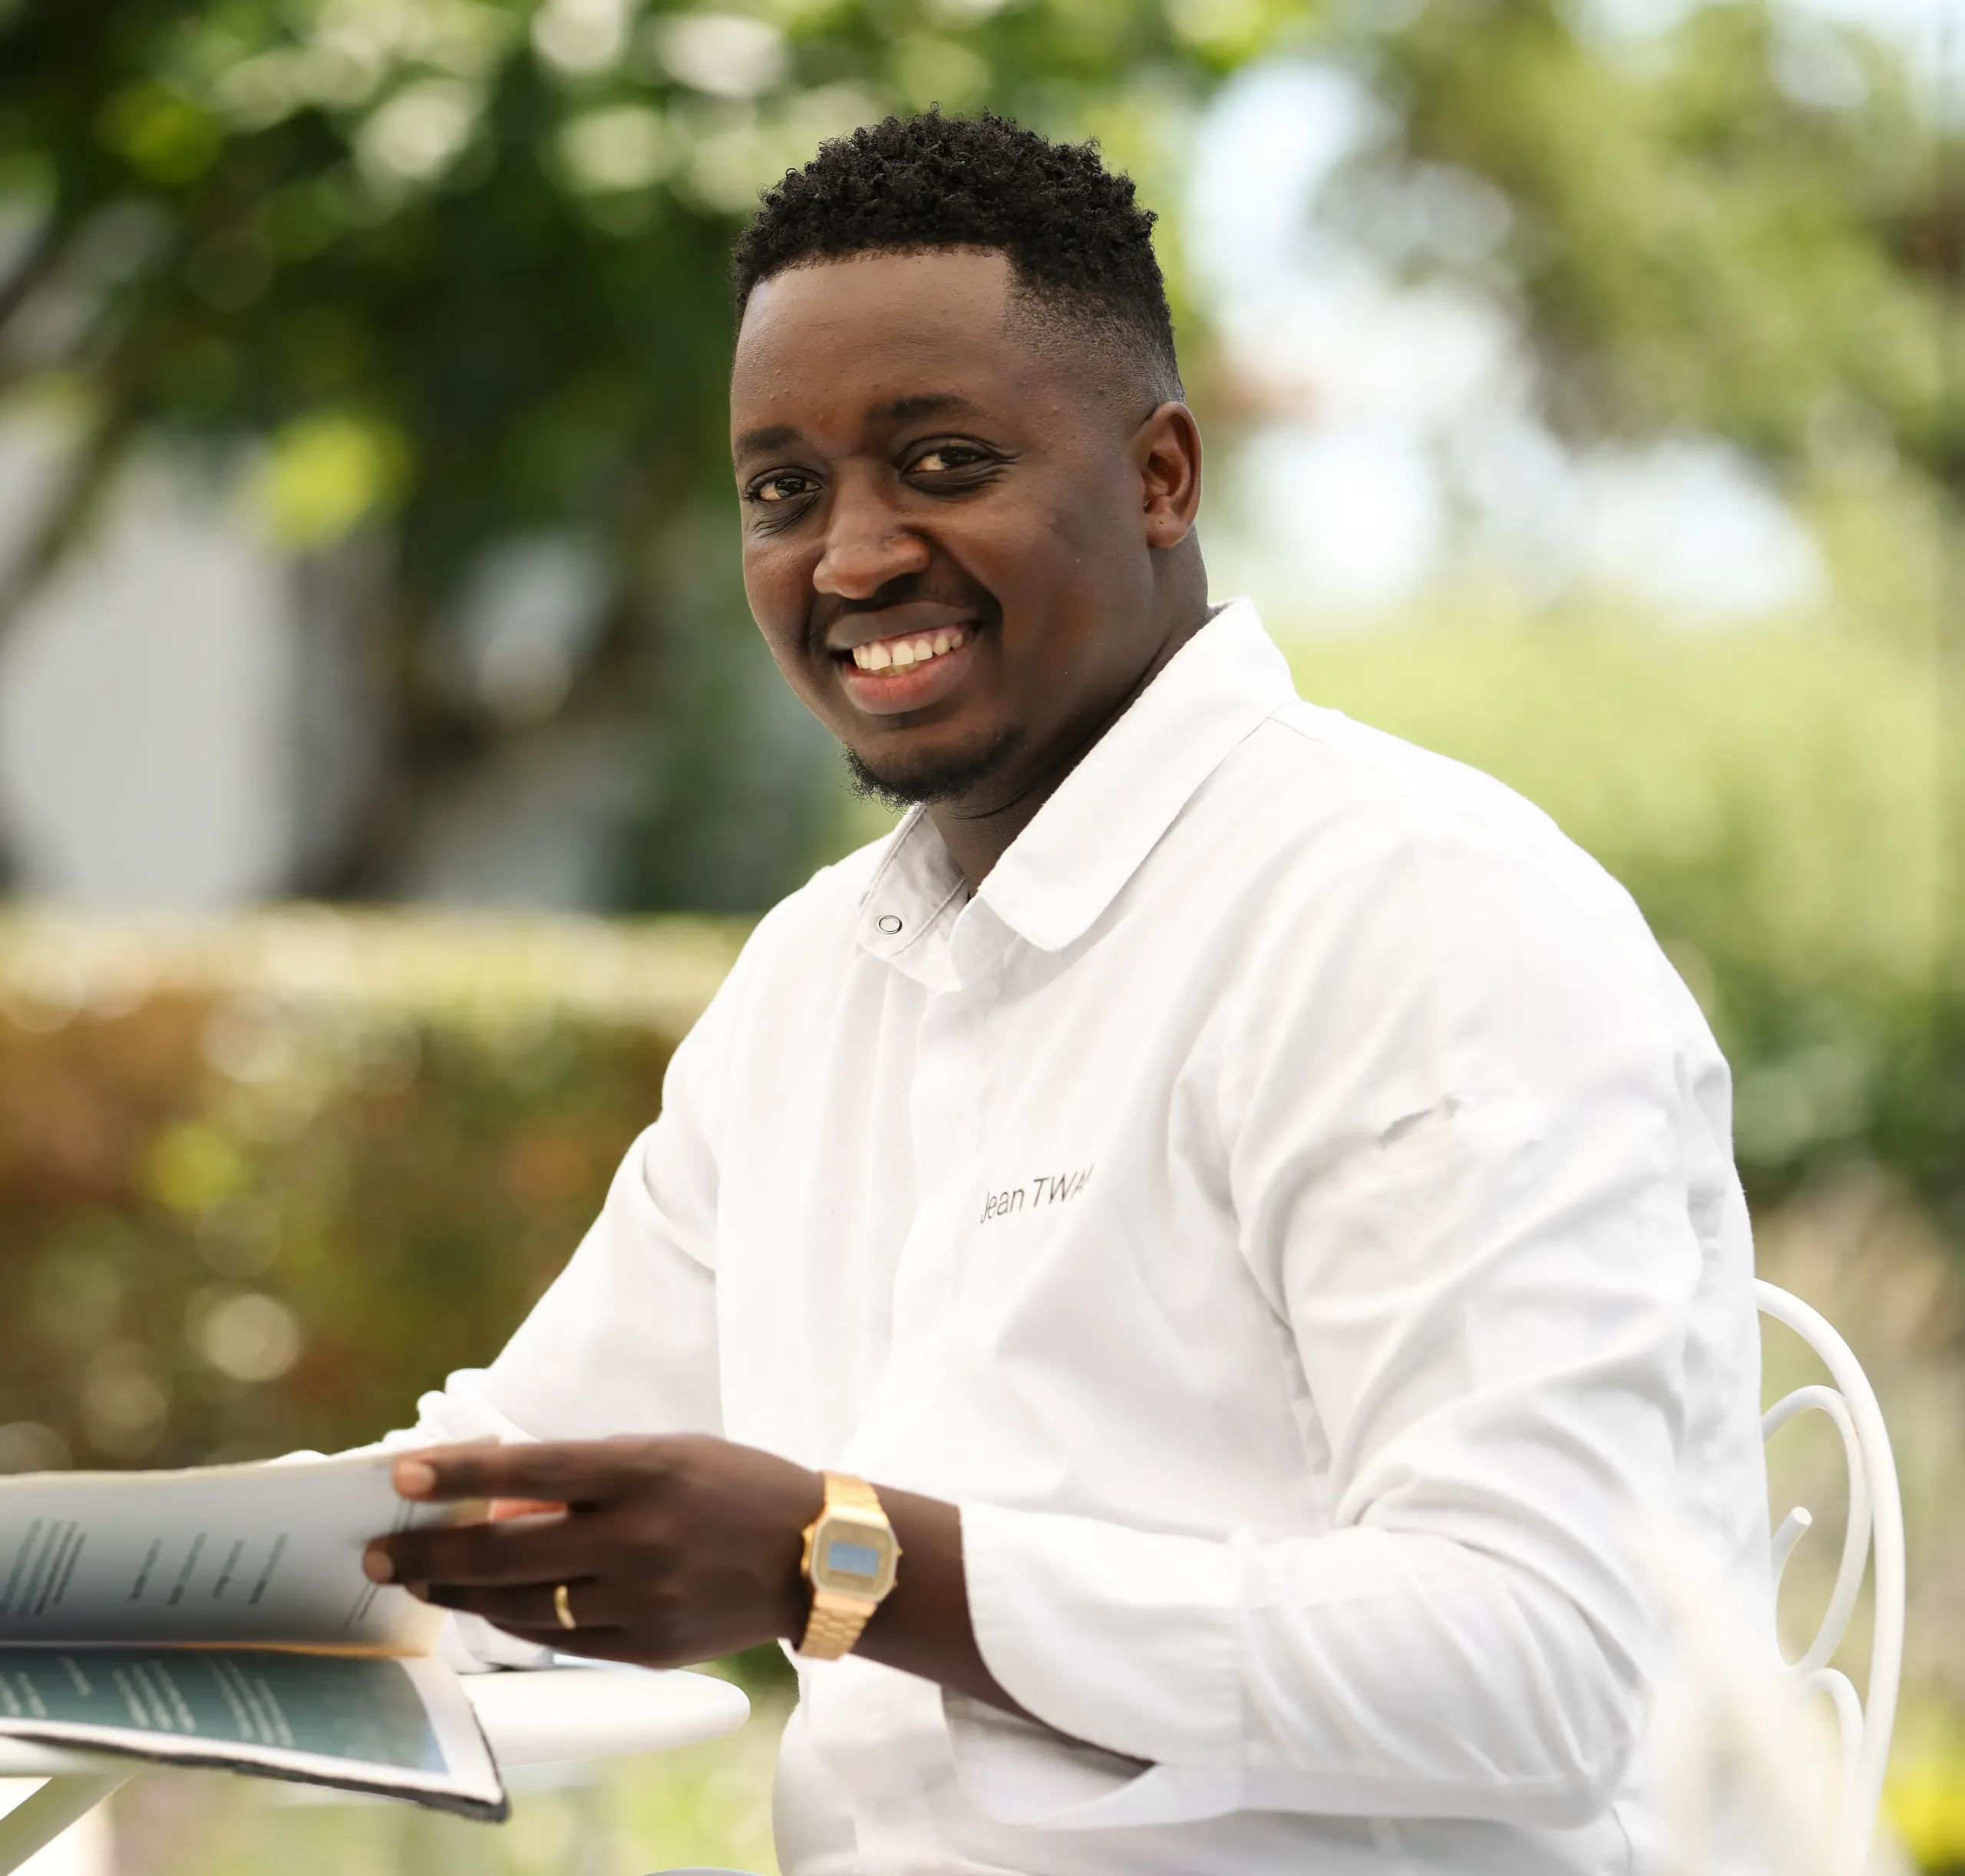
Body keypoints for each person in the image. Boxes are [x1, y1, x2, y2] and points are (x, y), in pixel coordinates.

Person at [362, 111, 1773, 1874]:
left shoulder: (1412, 913)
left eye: (941, 462)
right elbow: (498, 1492)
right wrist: (88, 1585)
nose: (851, 557)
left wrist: (843, 1562)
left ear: (1162, 476)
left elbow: (1545, 1661)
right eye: (782, 491)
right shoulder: (814, 977)